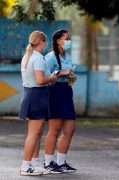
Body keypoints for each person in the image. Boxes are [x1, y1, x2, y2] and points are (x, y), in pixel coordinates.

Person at [19, 31, 57, 176]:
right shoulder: (38, 58)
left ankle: (34, 162)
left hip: (31, 94)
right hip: (37, 95)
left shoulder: (27, 56)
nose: (46, 44)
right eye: (45, 42)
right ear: (41, 41)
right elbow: (41, 80)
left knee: (37, 132)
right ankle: (25, 165)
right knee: (33, 134)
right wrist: (53, 77)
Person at [44, 29, 76, 173]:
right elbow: (44, 77)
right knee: (54, 129)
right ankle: (48, 163)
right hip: (54, 92)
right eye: (66, 38)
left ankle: (61, 162)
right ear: (57, 41)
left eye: (69, 38)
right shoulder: (50, 57)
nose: (68, 41)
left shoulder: (67, 56)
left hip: (66, 91)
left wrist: (70, 76)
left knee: (70, 128)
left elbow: (69, 72)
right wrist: (60, 73)